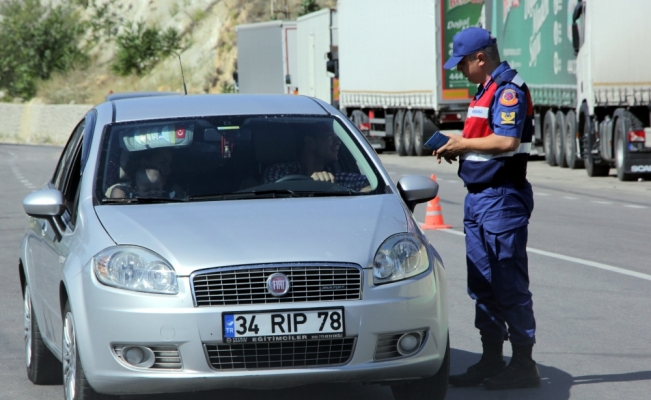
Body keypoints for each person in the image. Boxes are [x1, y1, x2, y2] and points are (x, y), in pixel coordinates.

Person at [437, 27, 540, 390]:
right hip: (480, 198)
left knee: (508, 284)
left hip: (501, 198)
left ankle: (524, 365)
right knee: (482, 285)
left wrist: (462, 143)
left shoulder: (509, 88)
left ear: (481, 58)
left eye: (463, 64)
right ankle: (492, 360)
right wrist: (460, 148)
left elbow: (507, 139)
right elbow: (485, 141)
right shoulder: (486, 89)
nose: (461, 72)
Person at [263, 123, 371, 192]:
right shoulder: (279, 171)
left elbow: (375, 185)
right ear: (310, 142)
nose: (338, 142)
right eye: (330, 136)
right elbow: (271, 196)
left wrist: (359, 194)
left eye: (337, 138)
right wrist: (313, 185)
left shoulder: (336, 178)